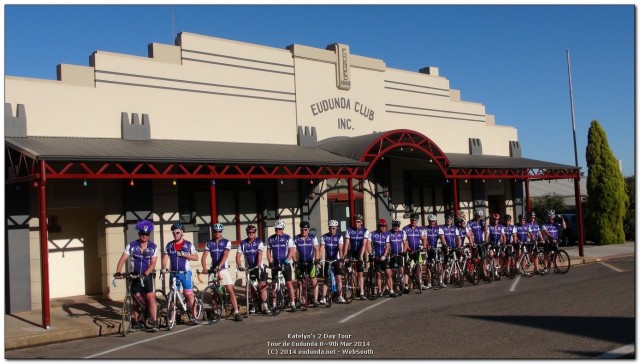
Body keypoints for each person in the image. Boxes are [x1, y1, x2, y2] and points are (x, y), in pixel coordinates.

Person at [114, 219, 160, 332]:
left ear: (149, 235)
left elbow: (153, 263)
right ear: (139, 233)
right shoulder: (131, 245)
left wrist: (145, 274)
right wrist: (118, 272)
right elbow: (122, 260)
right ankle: (137, 322)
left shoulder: (153, 247)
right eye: (142, 234)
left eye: (147, 234)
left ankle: (154, 322)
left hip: (147, 275)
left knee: (150, 298)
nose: (144, 236)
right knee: (135, 300)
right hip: (134, 274)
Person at [201, 223, 242, 321]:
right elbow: (204, 257)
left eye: (219, 231)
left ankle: (236, 311)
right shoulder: (209, 243)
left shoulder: (226, 242)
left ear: (221, 232)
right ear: (213, 232)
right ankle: (215, 311)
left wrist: (219, 266)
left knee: (230, 289)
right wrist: (204, 268)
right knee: (214, 292)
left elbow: (225, 255)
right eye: (215, 231)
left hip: (223, 268)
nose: (217, 233)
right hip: (213, 270)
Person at [161, 223, 199, 325]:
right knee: (172, 296)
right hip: (173, 274)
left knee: (188, 294)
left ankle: (194, 316)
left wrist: (185, 255)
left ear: (182, 233)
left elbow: (196, 257)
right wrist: (164, 268)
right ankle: (171, 319)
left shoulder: (188, 244)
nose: (175, 235)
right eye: (174, 233)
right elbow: (164, 258)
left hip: (185, 274)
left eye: (177, 233)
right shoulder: (169, 245)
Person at [235, 224, 270, 315]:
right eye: (249, 232)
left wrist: (258, 265)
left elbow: (260, 254)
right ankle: (254, 304)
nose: (251, 234)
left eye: (252, 232)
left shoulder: (259, 241)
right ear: (247, 233)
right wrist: (239, 265)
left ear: (255, 233)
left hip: (258, 267)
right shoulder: (243, 243)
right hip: (249, 269)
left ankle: (265, 305)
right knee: (251, 288)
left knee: (262, 285)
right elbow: (238, 256)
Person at [266, 220, 297, 311]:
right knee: (274, 284)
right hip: (275, 263)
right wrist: (270, 262)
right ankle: (274, 304)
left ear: (282, 229)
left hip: (285, 263)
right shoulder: (271, 238)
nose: (278, 231)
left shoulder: (288, 238)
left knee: (289, 283)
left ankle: (292, 303)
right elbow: (268, 252)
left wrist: (286, 261)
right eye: (276, 229)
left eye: (279, 229)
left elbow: (291, 251)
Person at [293, 221, 321, 307]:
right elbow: (293, 251)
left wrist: (317, 259)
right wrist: (295, 261)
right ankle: (298, 300)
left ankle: (315, 299)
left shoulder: (313, 238)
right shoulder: (296, 238)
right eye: (302, 230)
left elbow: (316, 249)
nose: (303, 231)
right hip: (300, 262)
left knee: (313, 280)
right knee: (299, 282)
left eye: (305, 230)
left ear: (308, 230)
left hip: (310, 263)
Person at [343, 214, 370, 300]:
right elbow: (347, 243)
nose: (356, 223)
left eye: (358, 222)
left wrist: (361, 255)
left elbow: (364, 244)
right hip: (351, 252)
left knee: (360, 273)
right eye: (355, 222)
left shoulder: (365, 231)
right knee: (347, 270)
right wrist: (344, 254)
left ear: (361, 222)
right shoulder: (349, 230)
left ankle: (361, 292)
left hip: (359, 252)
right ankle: (348, 288)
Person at [319, 219, 345, 304]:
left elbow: (340, 248)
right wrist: (318, 259)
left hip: (336, 259)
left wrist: (341, 259)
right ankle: (323, 297)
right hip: (327, 260)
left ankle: (340, 296)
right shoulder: (324, 237)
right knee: (326, 279)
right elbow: (322, 248)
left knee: (338, 278)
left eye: (333, 228)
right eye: (330, 228)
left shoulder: (339, 237)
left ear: (336, 228)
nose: (332, 230)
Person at [369, 219, 395, 297]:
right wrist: (371, 254)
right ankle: (380, 291)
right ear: (378, 226)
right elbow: (368, 244)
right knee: (378, 275)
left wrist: (384, 255)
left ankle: (391, 290)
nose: (383, 227)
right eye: (381, 226)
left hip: (384, 256)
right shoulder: (372, 234)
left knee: (388, 273)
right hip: (376, 256)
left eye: (384, 226)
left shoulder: (386, 235)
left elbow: (387, 246)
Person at [403, 212, 428, 291]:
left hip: (418, 251)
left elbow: (424, 239)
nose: (414, 222)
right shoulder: (405, 228)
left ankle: (419, 282)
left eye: (415, 220)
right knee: (407, 267)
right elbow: (404, 240)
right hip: (409, 251)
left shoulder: (419, 229)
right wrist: (408, 249)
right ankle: (406, 285)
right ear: (410, 220)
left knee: (420, 266)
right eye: (412, 220)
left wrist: (424, 247)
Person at [438, 213, 460, 287]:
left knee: (455, 262)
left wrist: (459, 245)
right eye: (447, 219)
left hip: (453, 247)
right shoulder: (442, 228)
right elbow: (442, 238)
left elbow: (458, 238)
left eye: (450, 219)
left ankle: (456, 278)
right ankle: (441, 281)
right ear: (445, 219)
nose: (449, 220)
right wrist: (445, 246)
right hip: (445, 248)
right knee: (444, 265)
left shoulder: (455, 228)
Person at [388, 219, 408, 294]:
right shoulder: (388, 233)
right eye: (395, 225)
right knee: (392, 271)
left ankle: (402, 285)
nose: (396, 227)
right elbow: (387, 244)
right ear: (392, 226)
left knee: (401, 270)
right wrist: (390, 252)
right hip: (392, 255)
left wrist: (404, 251)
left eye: (397, 226)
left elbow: (405, 243)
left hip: (400, 254)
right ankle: (393, 287)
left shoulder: (402, 233)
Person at [424, 214, 443, 288]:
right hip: (429, 249)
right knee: (428, 265)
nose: (432, 222)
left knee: (439, 264)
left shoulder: (438, 228)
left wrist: (444, 244)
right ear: (429, 221)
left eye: (434, 221)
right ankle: (429, 282)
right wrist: (428, 245)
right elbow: (425, 238)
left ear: (435, 221)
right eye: (431, 221)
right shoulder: (425, 228)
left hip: (437, 248)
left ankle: (440, 281)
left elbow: (441, 237)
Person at [485, 213, 505, 280]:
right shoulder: (489, 226)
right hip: (491, 243)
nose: (496, 220)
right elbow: (487, 235)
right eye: (494, 219)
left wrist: (504, 243)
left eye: (497, 219)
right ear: (492, 220)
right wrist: (487, 243)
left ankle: (496, 271)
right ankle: (489, 266)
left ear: (498, 220)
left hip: (498, 244)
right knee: (491, 255)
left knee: (498, 256)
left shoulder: (501, 226)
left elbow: (503, 236)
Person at [468, 209, 487, 278]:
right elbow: (469, 233)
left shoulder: (482, 222)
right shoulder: (470, 222)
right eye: (478, 216)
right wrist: (472, 242)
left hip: (481, 241)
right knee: (474, 258)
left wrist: (485, 222)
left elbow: (485, 230)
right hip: (474, 242)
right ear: (475, 215)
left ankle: (484, 273)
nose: (479, 217)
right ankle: (473, 273)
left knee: (484, 258)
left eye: (480, 216)